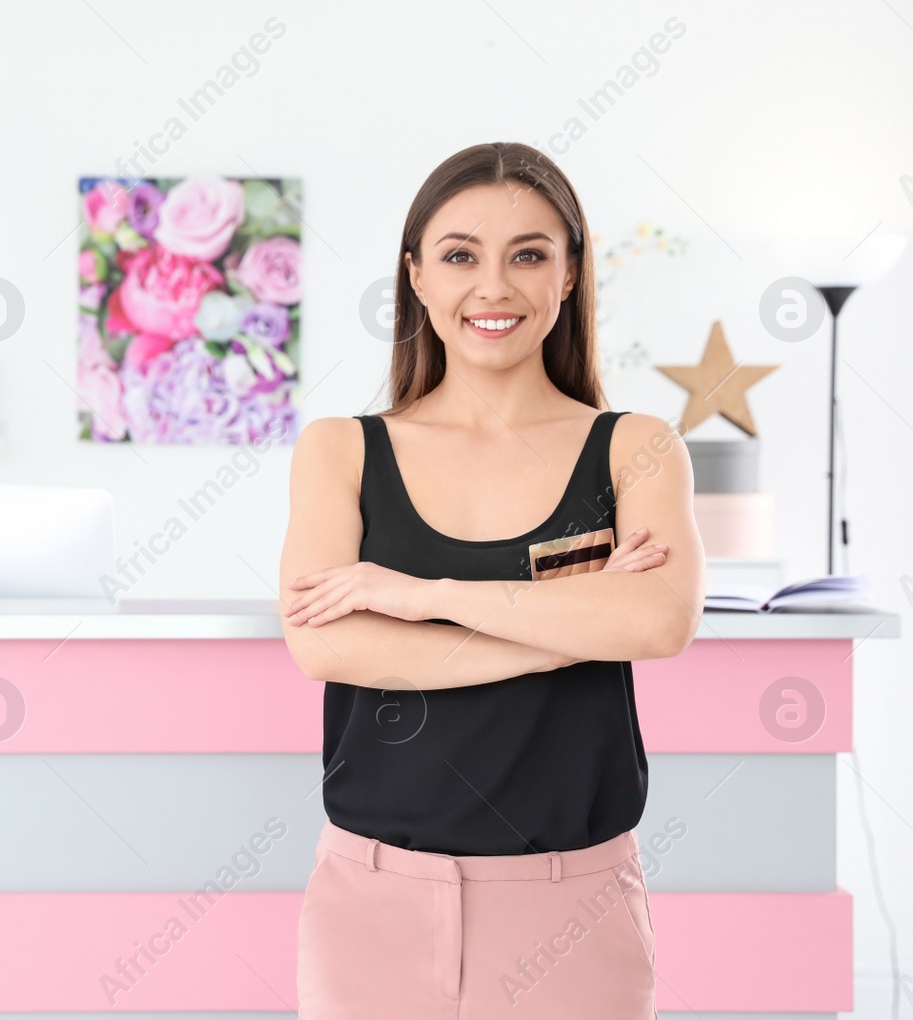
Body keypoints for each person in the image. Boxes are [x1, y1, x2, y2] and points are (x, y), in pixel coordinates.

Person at [278, 141, 706, 1018]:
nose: (494, 287)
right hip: (373, 903)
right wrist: (563, 630)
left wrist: (422, 597)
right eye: (461, 255)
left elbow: (658, 623)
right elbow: (326, 644)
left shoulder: (635, 447)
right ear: (419, 277)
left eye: (530, 255)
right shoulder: (341, 450)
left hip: (572, 904)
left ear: (570, 275)